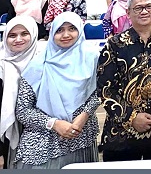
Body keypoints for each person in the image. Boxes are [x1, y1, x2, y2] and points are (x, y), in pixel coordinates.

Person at [97, 0, 151, 161]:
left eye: (148, 7)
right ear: (128, 13)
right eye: (138, 8)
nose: (144, 11)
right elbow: (105, 90)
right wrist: (131, 117)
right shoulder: (114, 45)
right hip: (121, 133)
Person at [15, 12, 99, 168]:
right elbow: (23, 111)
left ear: (80, 30)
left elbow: (99, 93)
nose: (65, 34)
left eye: (72, 29)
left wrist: (84, 115)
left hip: (82, 135)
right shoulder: (37, 65)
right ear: (52, 33)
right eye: (59, 30)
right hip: (45, 141)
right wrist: (54, 124)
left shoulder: (92, 58)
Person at [0, 16, 38, 168]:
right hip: (5, 140)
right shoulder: (2, 68)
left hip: (40, 134)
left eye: (24, 33)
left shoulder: (43, 63)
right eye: (12, 35)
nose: (18, 39)